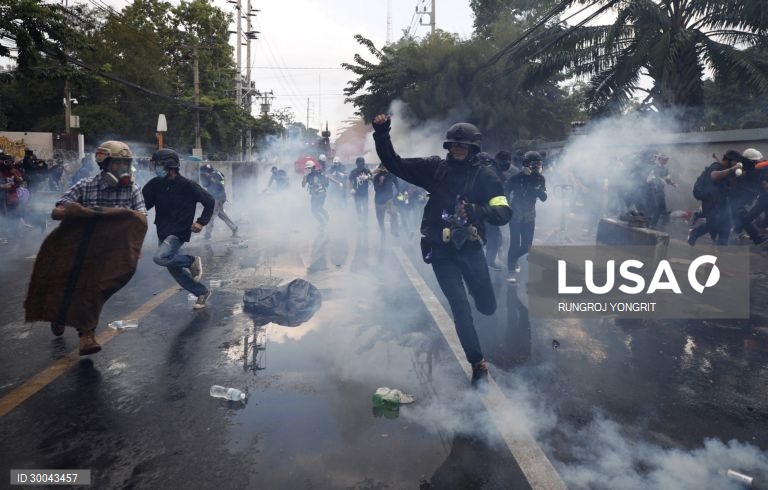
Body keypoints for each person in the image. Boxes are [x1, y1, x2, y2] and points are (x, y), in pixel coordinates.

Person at [372, 114, 512, 387]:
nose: (458, 148)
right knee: (460, 308)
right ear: (448, 147)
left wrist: (475, 209)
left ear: (473, 148)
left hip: (472, 250)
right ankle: (477, 363)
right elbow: (394, 163)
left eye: (463, 145)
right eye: (453, 144)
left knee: (486, 306)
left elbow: (504, 212)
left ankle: (480, 296)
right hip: (441, 250)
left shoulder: (486, 176)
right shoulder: (435, 169)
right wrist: (381, 133)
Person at [52, 140, 147, 354]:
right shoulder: (85, 186)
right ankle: (66, 319)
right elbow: (57, 211)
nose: (124, 169)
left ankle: (85, 334)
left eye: (126, 163)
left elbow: (142, 218)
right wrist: (82, 213)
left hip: (114, 251)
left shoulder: (132, 189)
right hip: (83, 248)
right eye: (118, 164)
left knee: (95, 291)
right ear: (104, 164)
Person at [142, 149, 215, 310]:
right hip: (163, 230)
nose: (156, 168)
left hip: (179, 231)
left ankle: (191, 261)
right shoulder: (155, 185)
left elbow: (209, 201)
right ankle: (202, 292)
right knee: (174, 269)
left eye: (158, 165)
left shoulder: (188, 186)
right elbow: (143, 205)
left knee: (160, 258)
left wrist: (201, 222)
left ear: (169, 166)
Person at [506, 151, 547, 283]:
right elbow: (506, 188)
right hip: (516, 214)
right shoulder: (516, 178)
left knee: (527, 246)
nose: (537, 168)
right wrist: (506, 204)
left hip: (530, 215)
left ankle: (513, 259)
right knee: (514, 244)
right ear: (526, 165)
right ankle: (511, 270)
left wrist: (538, 190)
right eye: (534, 165)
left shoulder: (541, 179)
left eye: (539, 165)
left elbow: (544, 197)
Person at [688, 149, 743, 246]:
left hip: (720, 199)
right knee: (714, 222)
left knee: (727, 223)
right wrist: (733, 169)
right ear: (729, 161)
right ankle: (694, 233)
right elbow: (714, 176)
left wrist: (738, 176)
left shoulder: (727, 171)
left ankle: (721, 246)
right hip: (710, 199)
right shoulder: (716, 166)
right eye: (735, 162)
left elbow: (729, 185)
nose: (735, 164)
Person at [484, 150, 515, 270]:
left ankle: (487, 261)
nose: (507, 165)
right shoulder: (492, 174)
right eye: (505, 163)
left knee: (495, 238)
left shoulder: (496, 172)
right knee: (493, 239)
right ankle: (488, 262)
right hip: (486, 210)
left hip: (489, 210)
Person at [199, 163, 238, 239]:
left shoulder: (212, 176)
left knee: (211, 215)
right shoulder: (218, 173)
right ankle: (234, 227)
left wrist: (209, 178)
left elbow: (206, 184)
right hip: (220, 197)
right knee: (221, 214)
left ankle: (208, 234)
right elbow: (220, 183)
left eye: (203, 172)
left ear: (207, 171)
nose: (202, 174)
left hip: (217, 198)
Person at [645, 152, 677, 228]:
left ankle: (656, 222)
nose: (665, 161)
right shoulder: (654, 167)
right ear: (660, 160)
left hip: (660, 190)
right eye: (664, 160)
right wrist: (659, 180)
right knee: (657, 207)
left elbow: (667, 179)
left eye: (666, 160)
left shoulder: (666, 169)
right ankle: (652, 224)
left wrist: (673, 184)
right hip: (653, 190)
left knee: (661, 207)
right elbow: (651, 178)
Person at [372, 164, 400, 237]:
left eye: (386, 167)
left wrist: (399, 193)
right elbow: (376, 189)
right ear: (380, 169)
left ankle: (394, 230)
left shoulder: (391, 175)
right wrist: (381, 182)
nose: (384, 169)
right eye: (382, 168)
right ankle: (382, 231)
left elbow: (397, 184)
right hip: (379, 201)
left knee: (394, 214)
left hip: (389, 200)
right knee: (380, 218)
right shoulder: (376, 177)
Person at [302, 159, 330, 226]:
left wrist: (326, 178)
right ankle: (322, 223)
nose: (307, 169)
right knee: (314, 211)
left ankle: (326, 216)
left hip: (321, 194)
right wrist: (305, 176)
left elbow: (326, 184)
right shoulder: (308, 176)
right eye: (307, 168)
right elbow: (303, 185)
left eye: (309, 168)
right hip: (314, 195)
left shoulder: (318, 173)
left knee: (318, 208)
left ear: (313, 167)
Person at [349, 157, 372, 223]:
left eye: (362, 163)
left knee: (365, 208)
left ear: (363, 163)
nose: (360, 164)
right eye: (359, 163)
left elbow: (372, 178)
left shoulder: (367, 170)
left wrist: (367, 177)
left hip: (364, 192)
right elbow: (350, 181)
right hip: (356, 192)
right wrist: (351, 189)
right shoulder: (353, 172)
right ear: (356, 164)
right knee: (358, 207)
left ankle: (365, 221)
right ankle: (360, 220)